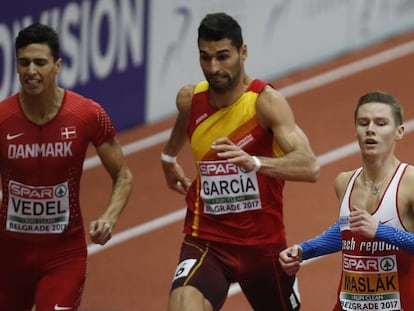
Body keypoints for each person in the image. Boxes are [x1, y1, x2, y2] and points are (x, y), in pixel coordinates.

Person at [161, 12, 320, 311]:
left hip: (262, 246)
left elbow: (310, 166)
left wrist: (255, 163)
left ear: (243, 52)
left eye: (223, 56)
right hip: (207, 239)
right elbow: (185, 122)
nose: (214, 67)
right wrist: (168, 157)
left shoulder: (265, 103)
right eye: (205, 58)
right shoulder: (189, 99)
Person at [0, 23, 133, 311]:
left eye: (40, 62)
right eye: (24, 63)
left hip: (63, 256)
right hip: (8, 257)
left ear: (57, 65)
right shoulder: (2, 118)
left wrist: (109, 218)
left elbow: (123, 176)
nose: (31, 71)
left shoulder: (87, 115)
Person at [279, 91, 414, 311]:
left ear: (398, 132)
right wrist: (304, 250)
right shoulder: (344, 182)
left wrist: (382, 231)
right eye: (363, 123)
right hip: (349, 305)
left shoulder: (410, 183)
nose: (370, 129)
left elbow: (372, 229)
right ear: (356, 131)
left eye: (380, 123)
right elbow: (347, 229)